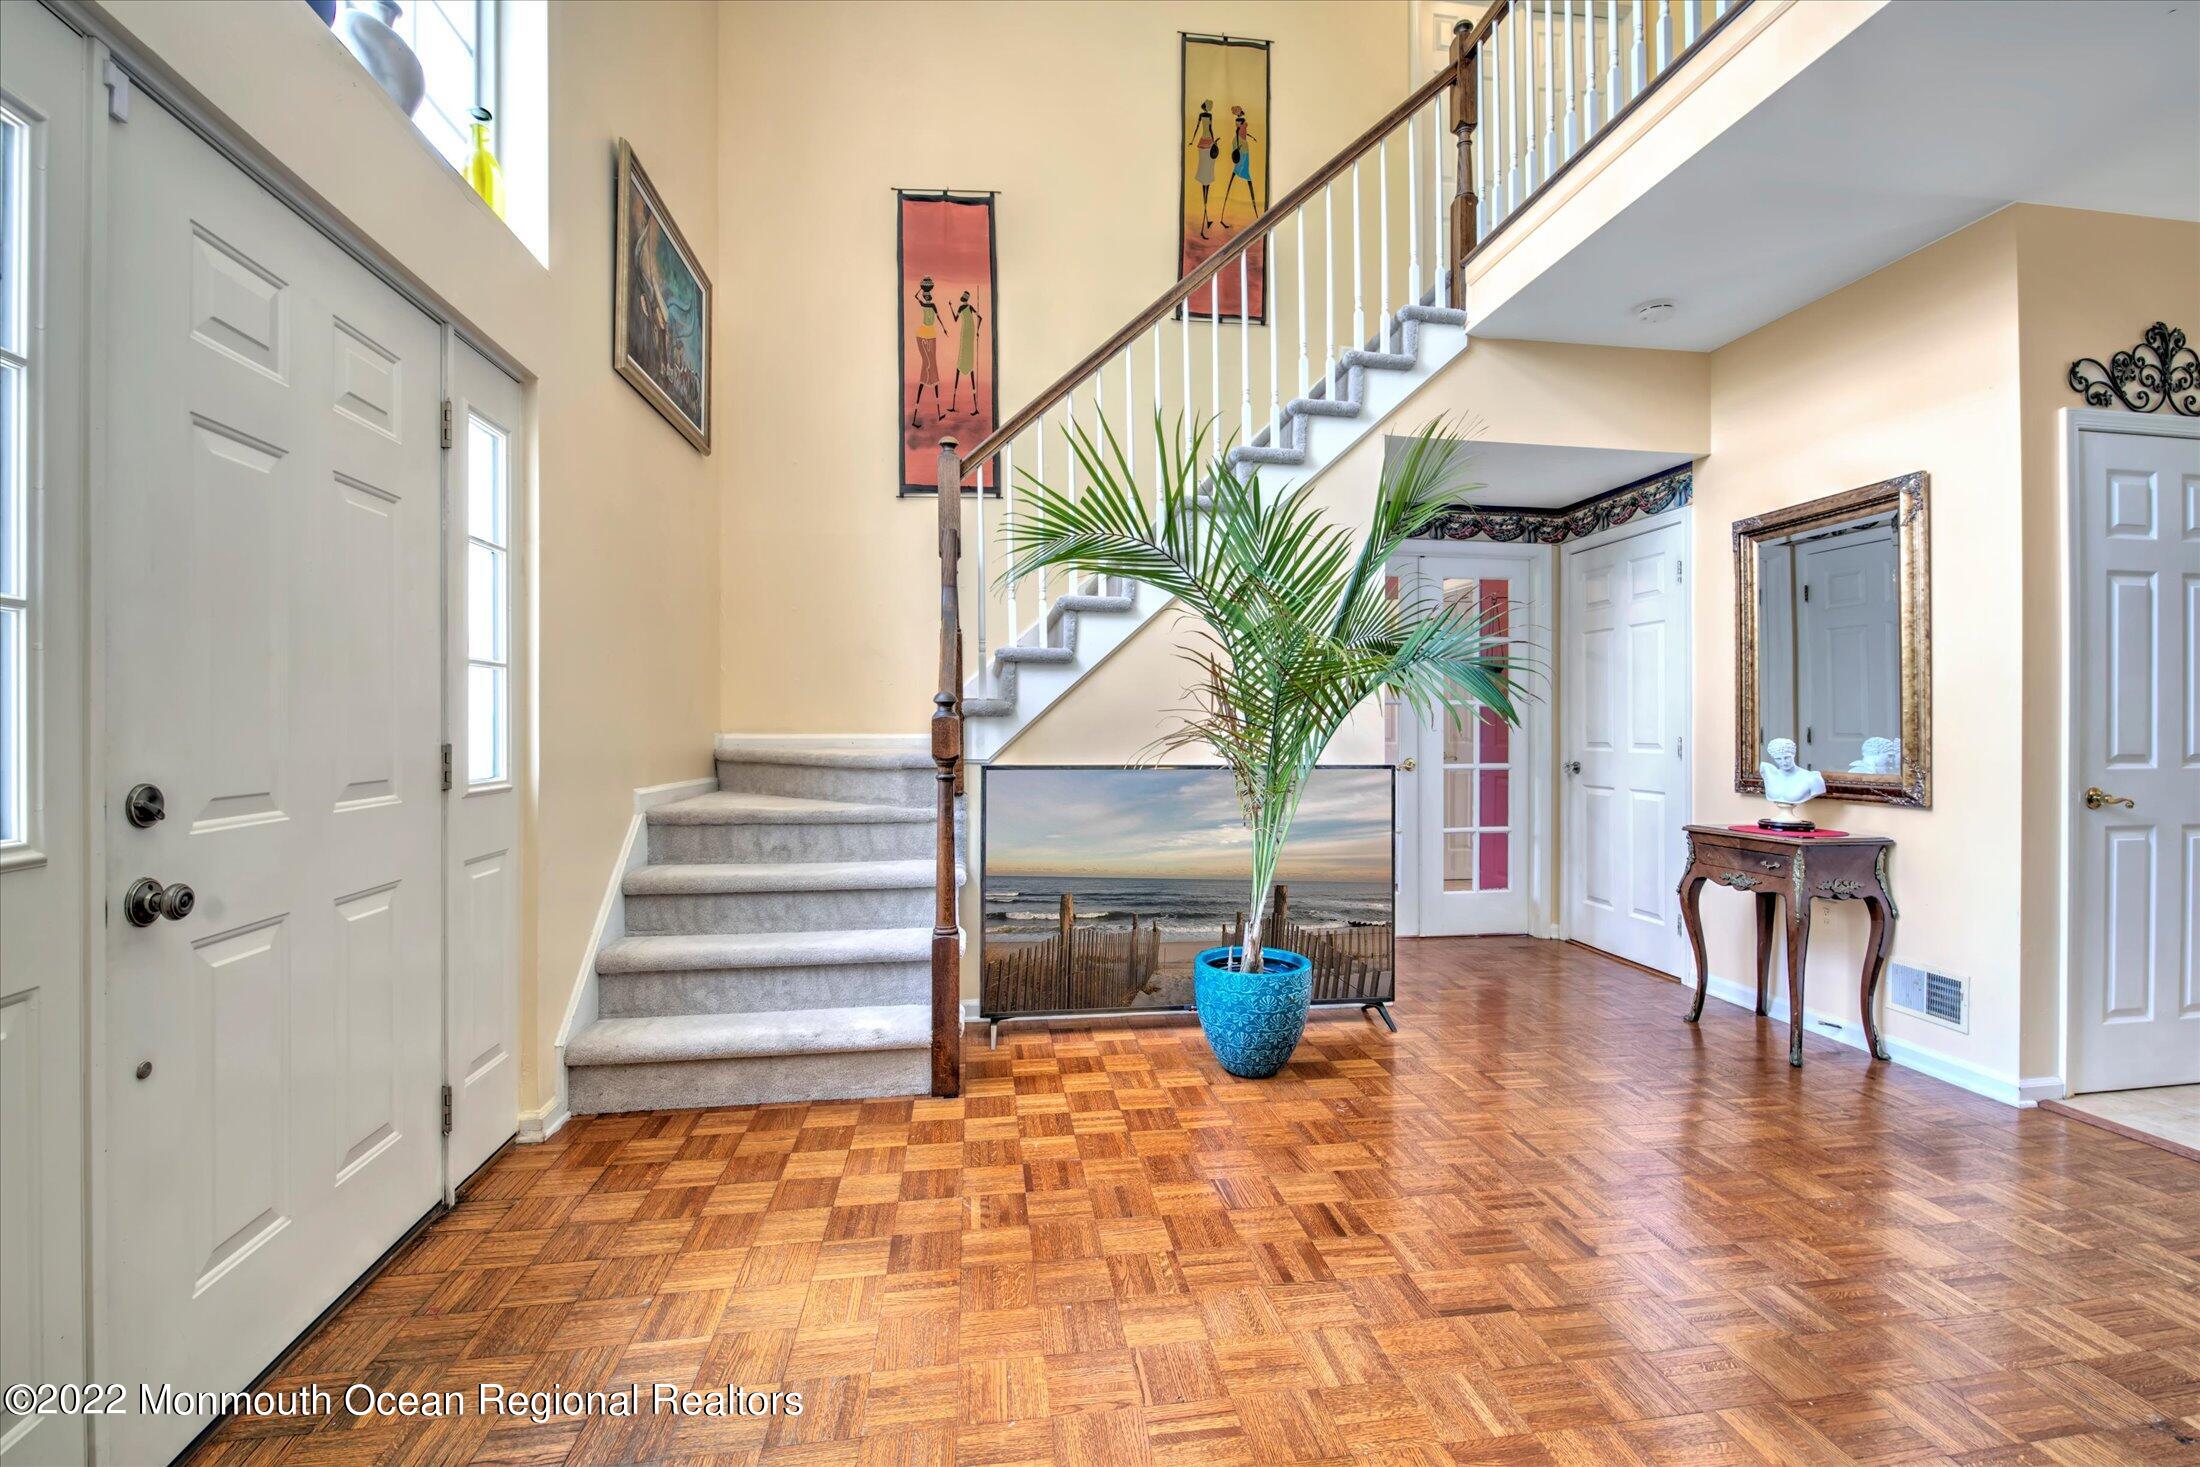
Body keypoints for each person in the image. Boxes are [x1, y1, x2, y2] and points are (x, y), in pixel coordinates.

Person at [1759, 738, 1827, 828]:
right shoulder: (1769, 773)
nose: (1783, 762)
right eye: (1778, 759)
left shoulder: (1812, 778)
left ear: (1793, 755)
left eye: (1787, 757)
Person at [910, 277, 947, 426]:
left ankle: (938, 412)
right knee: (927, 365)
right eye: (927, 296)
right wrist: (921, 288)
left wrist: (944, 328)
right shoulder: (928, 305)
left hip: (931, 336)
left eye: (927, 296)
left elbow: (938, 318)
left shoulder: (930, 305)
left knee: (933, 369)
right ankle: (917, 415)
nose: (927, 298)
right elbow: (916, 296)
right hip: (923, 335)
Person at [1220, 104, 1259, 224]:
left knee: (1241, 173)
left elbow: (1242, 132)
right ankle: (1256, 213)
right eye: (1239, 111)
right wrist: (1239, 144)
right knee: (1245, 175)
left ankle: (1224, 213)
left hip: (1241, 145)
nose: (1240, 113)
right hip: (1241, 147)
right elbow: (1240, 131)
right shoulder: (1240, 120)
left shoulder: (1240, 121)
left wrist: (1251, 137)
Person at [950, 290, 984, 415]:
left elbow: (954, 319)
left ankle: (954, 404)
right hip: (971, 333)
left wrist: (950, 308)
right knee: (969, 364)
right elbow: (980, 318)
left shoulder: (961, 307)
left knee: (961, 363)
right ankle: (975, 407)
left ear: (962, 298)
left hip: (965, 333)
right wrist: (977, 331)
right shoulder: (970, 307)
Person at [1188, 101, 1218, 237]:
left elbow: (1209, 130)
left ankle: (1206, 220)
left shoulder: (1208, 115)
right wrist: (1193, 140)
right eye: (1209, 106)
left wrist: (1213, 141)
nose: (1210, 108)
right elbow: (1198, 128)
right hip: (1204, 144)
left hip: (1205, 144)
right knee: (1206, 177)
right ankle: (1205, 221)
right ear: (1206, 107)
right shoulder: (1204, 115)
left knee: (1207, 177)